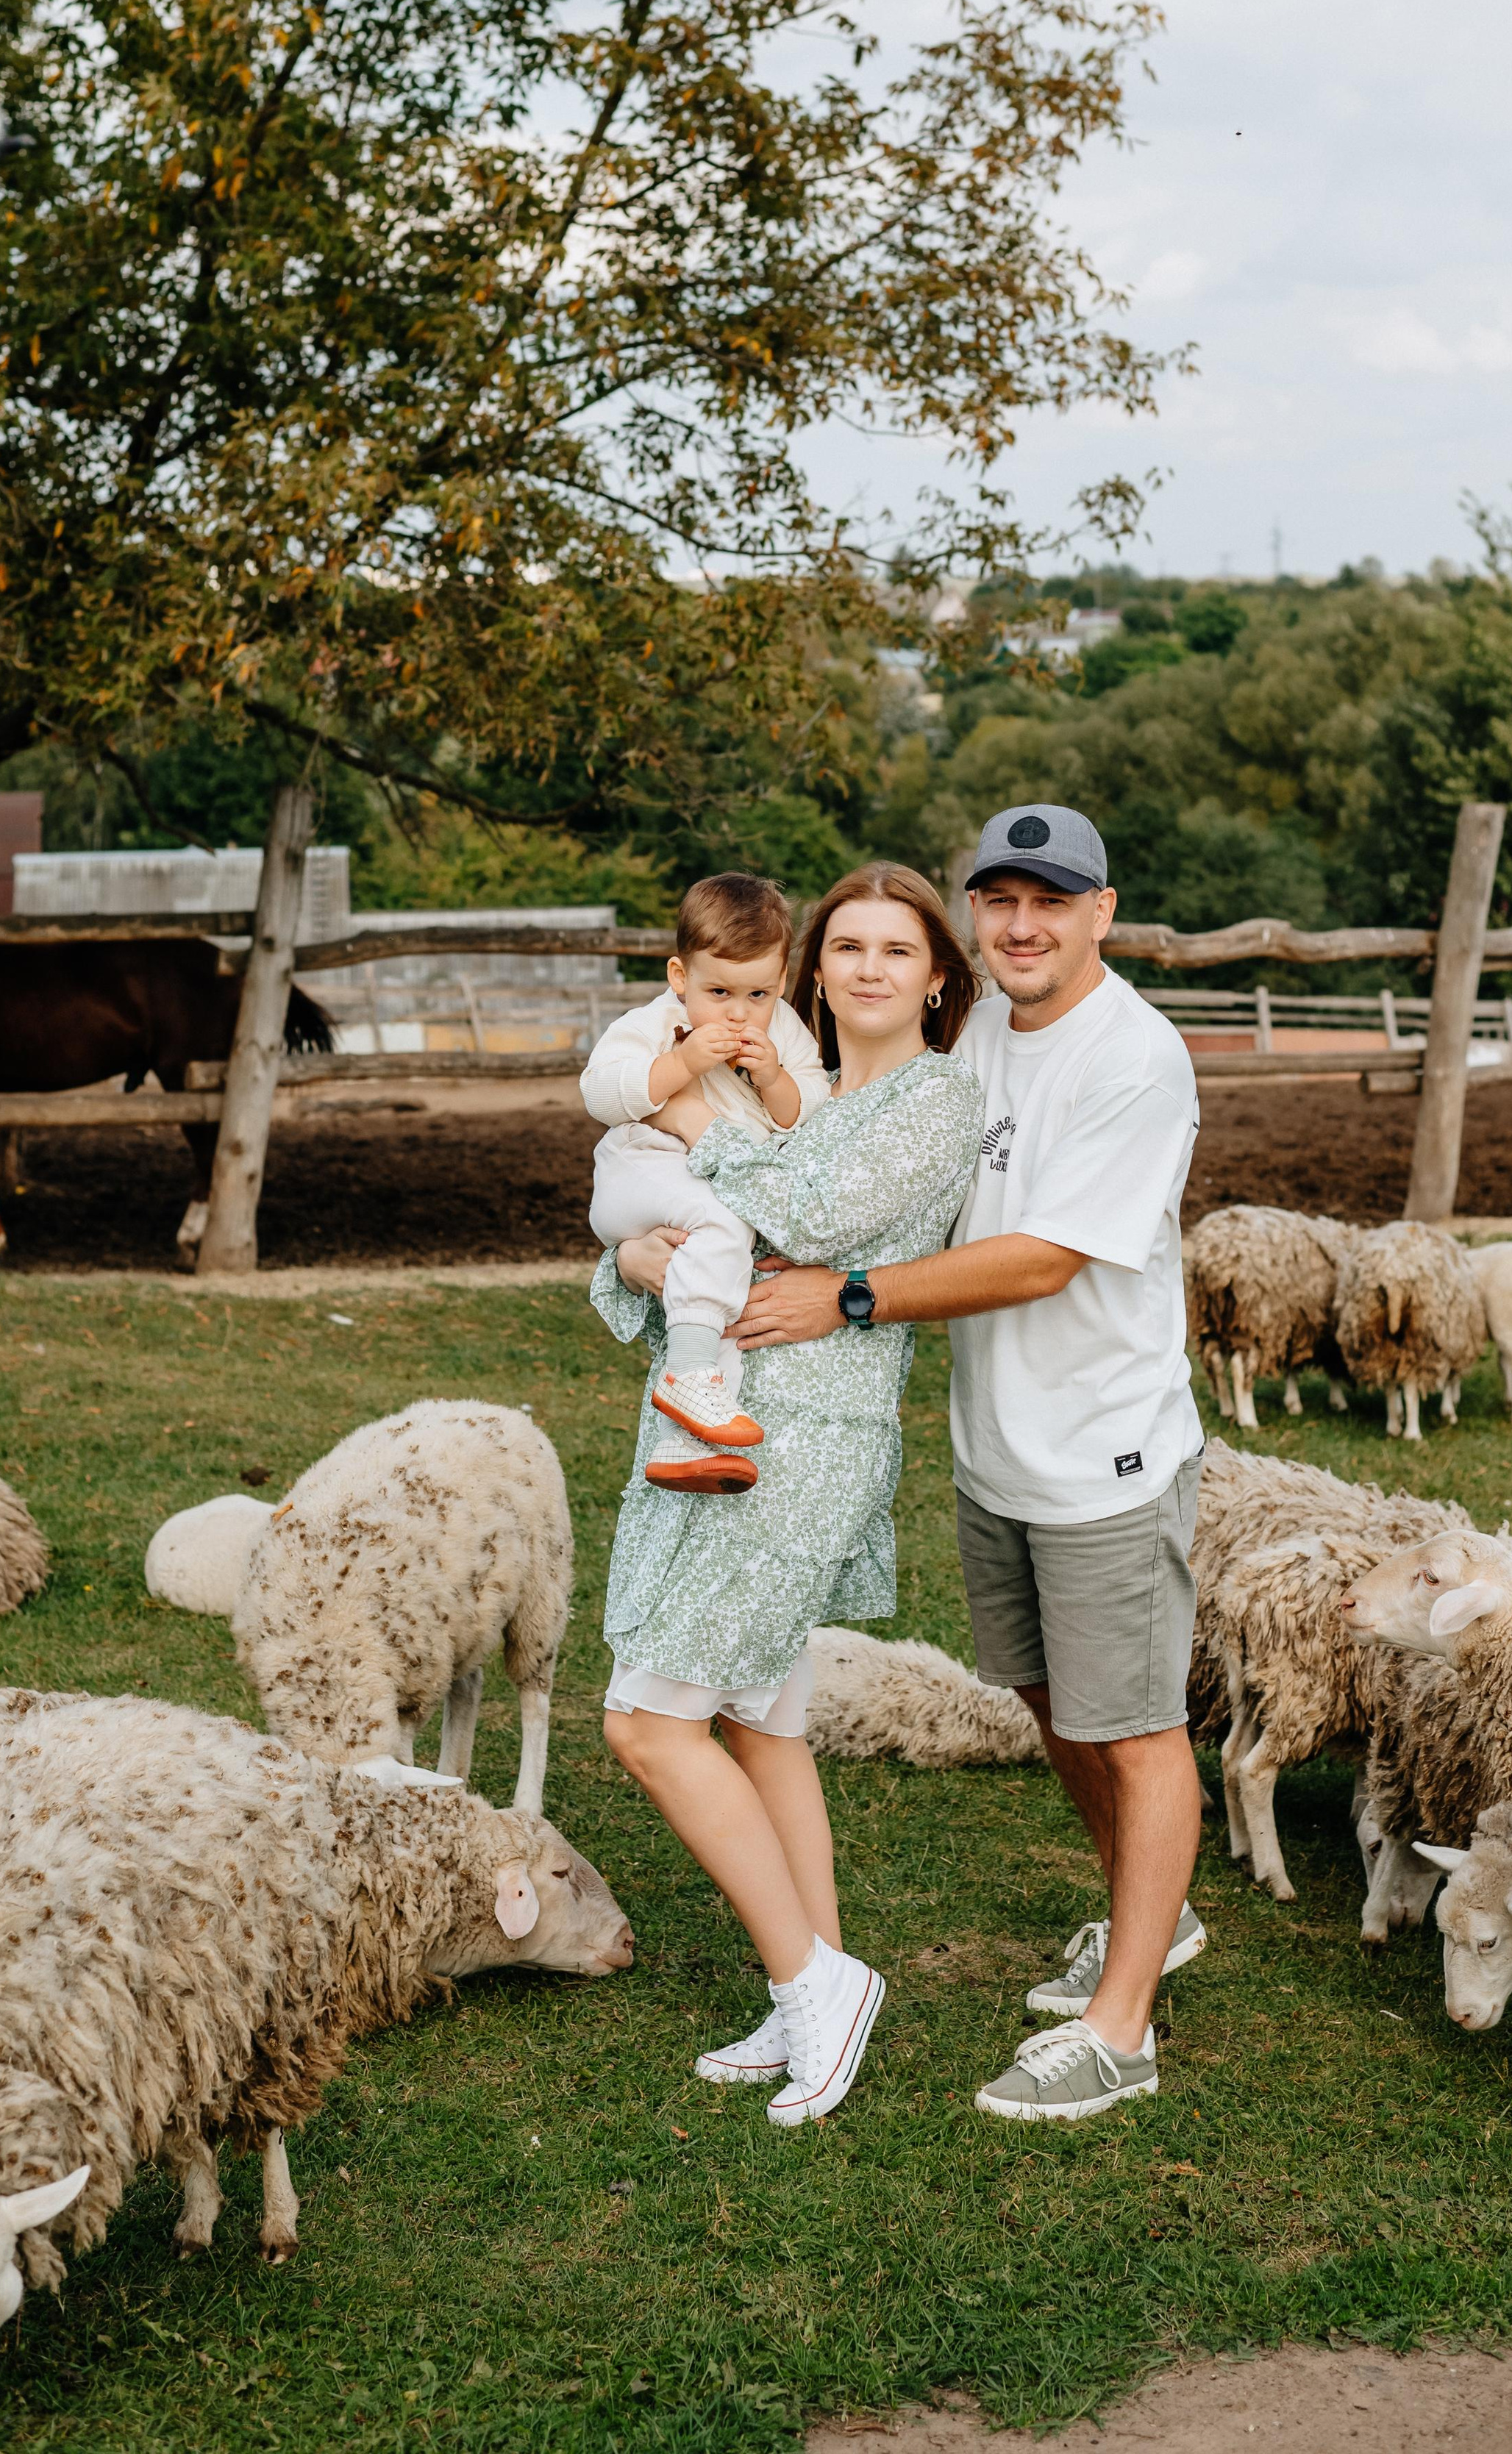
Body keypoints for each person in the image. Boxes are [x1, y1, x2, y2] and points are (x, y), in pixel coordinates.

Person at [722, 802, 1205, 2124]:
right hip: (996, 1446)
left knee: (1137, 1728)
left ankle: (1122, 2028)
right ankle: (1148, 1913)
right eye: (1001, 900)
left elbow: (1046, 1257)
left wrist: (849, 1295)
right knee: (1049, 1700)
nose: (1023, 925)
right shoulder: (979, 1027)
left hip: (1105, 1450)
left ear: (1102, 912)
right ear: (976, 915)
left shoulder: (1136, 1058)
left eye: (1052, 901)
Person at [595, 863, 984, 2129]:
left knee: (650, 1721)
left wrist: (682, 1117)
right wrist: (635, 1255)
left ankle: (815, 1978)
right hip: (712, 1416)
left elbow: (809, 1215)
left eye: (898, 949)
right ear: (813, 968)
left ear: (938, 978)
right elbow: (680, 1241)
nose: (869, 967)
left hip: (802, 1438)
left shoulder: (933, 1097)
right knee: (761, 1716)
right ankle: (811, 1980)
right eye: (848, 945)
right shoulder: (796, 1084)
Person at [582, 871, 831, 1491]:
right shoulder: (654, 1023)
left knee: (727, 1293)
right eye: (719, 992)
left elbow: (807, 1111)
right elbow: (600, 1094)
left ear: (780, 983)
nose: (739, 1012)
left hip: (701, 1189)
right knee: (724, 1222)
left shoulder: (783, 1032)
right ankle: (687, 1376)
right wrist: (681, 1062)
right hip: (642, 1169)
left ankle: (687, 1443)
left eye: (758, 994)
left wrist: (773, 1078)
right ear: (680, 976)